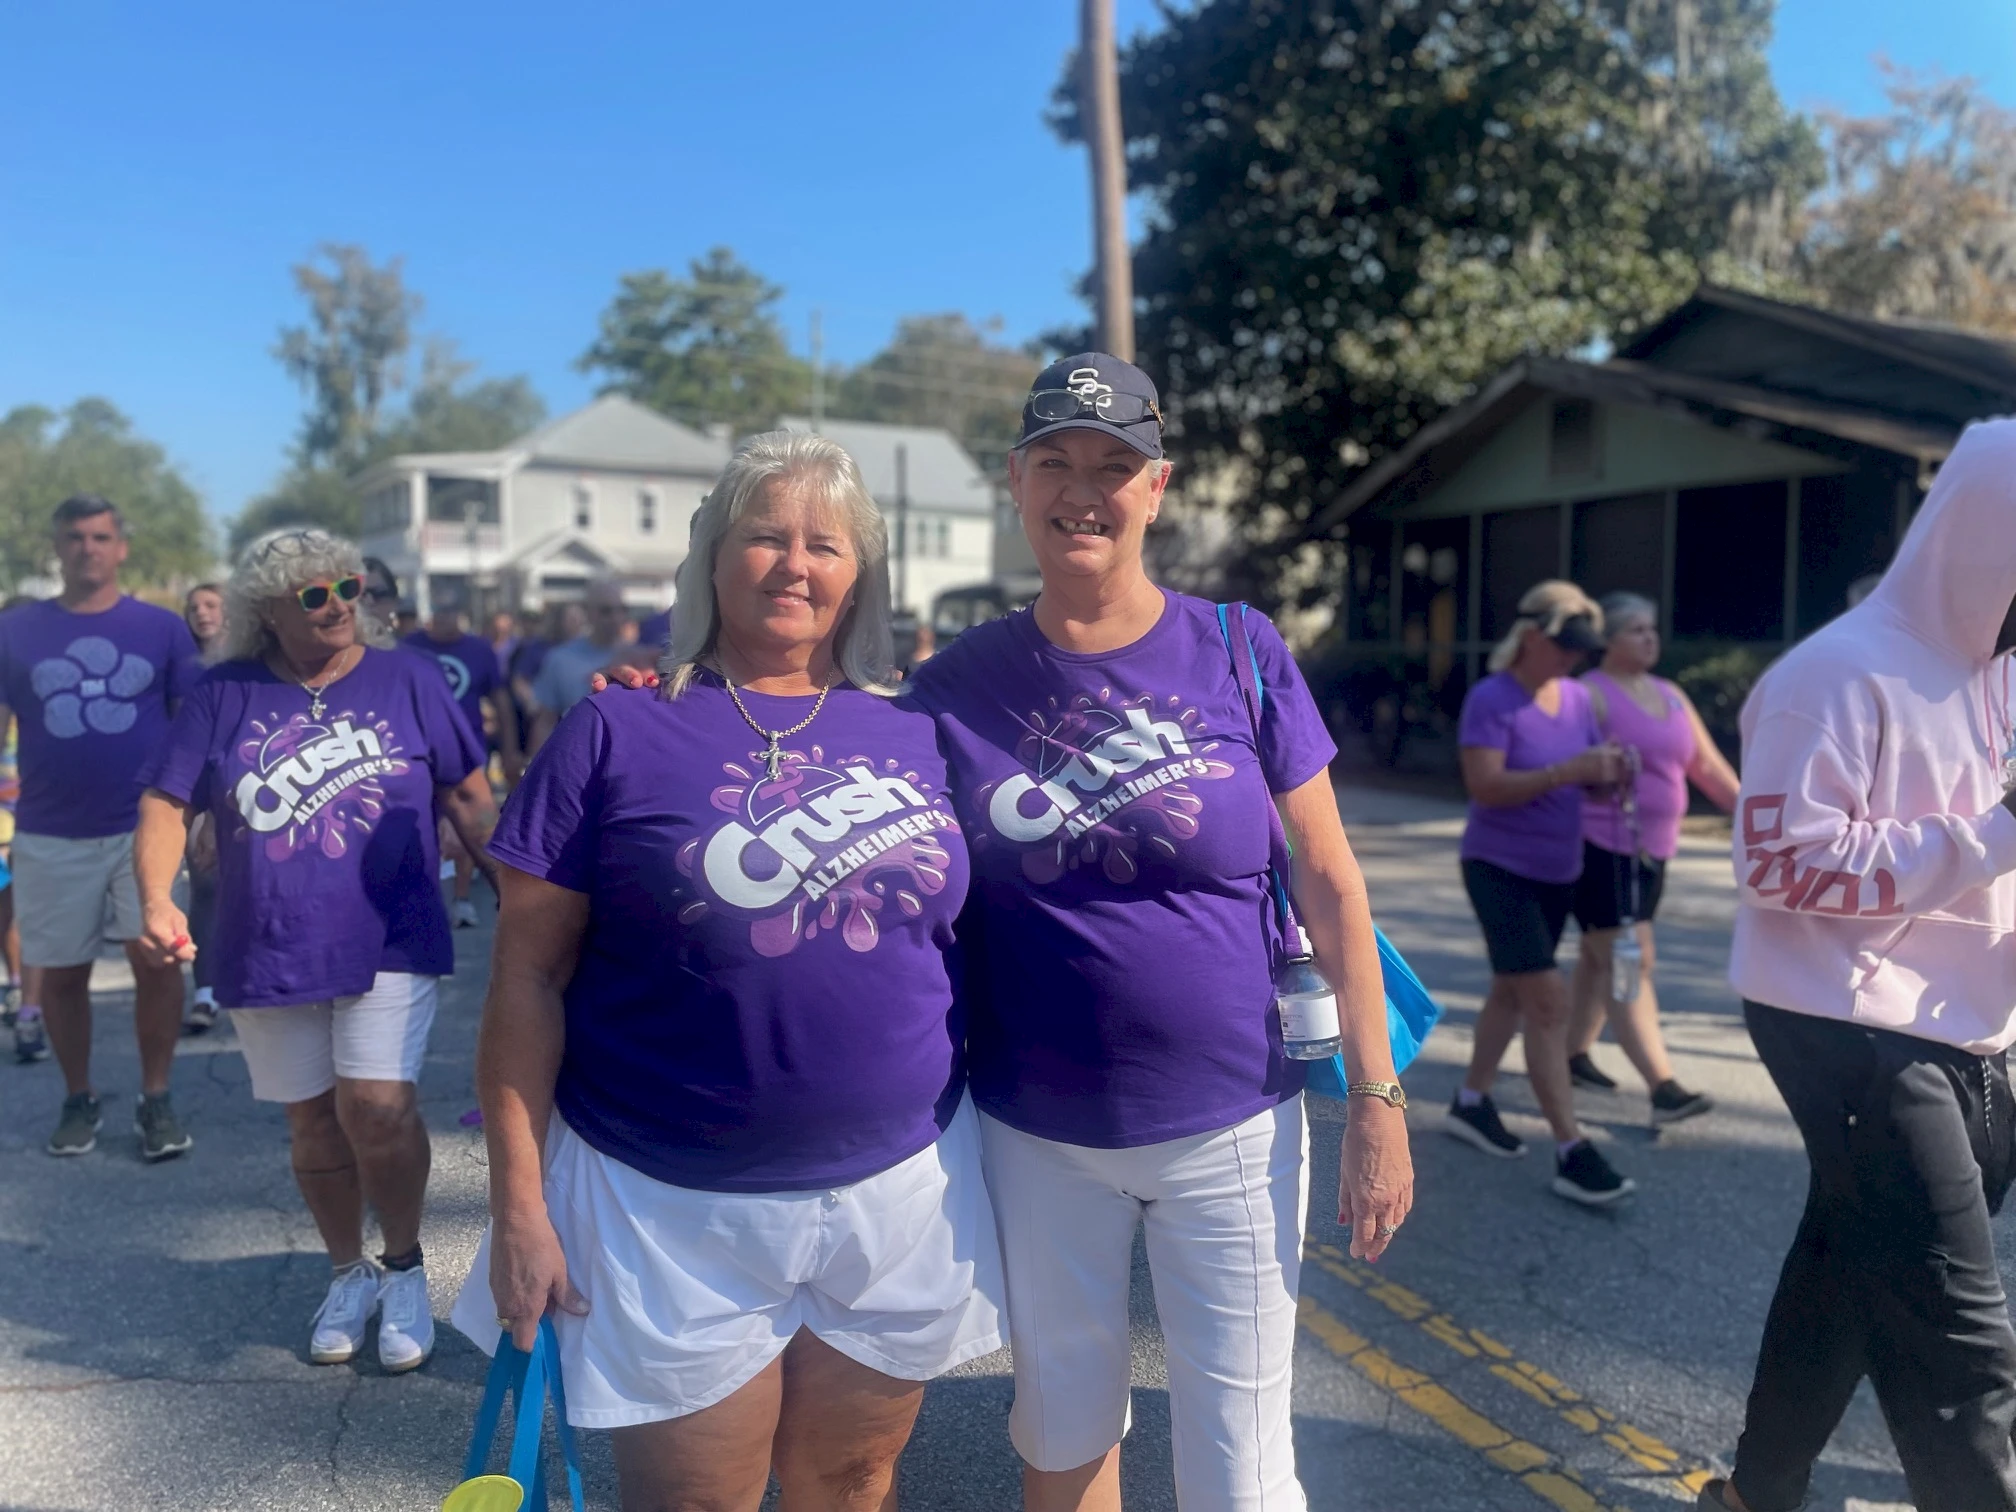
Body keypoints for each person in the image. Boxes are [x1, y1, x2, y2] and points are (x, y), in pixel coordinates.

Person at [452, 431, 1001, 1509]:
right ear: (711, 555)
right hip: (671, 1208)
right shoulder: (615, 726)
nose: (795, 564)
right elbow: (524, 979)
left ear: (863, 576)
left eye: (826, 544)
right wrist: (519, 1205)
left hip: (901, 1192)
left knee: (851, 1481)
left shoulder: (925, 731)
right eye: (765, 536)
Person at [907, 354, 1410, 1511]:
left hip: (1232, 1123)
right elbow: (830, 771)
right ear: (1015, 482)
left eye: (1113, 466)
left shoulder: (1238, 650)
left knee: (1241, 1468)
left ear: (1157, 488)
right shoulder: (951, 687)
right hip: (1035, 1134)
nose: (1083, 490)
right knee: (1062, 1436)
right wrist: (678, 704)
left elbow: (1331, 882)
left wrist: (1376, 1103)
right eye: (1056, 463)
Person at [1698, 420, 2016, 1512]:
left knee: (1846, 1274)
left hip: (1975, 1029)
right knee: (1959, 1340)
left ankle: (1756, 1494)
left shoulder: (2001, 682)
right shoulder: (1834, 674)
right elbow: (1778, 863)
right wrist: (1995, 833)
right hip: (1847, 1024)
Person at [133, 527, 497, 1373]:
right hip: (264, 940)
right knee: (311, 1121)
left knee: (376, 1107)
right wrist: (156, 898)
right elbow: (163, 804)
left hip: (390, 930)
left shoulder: (406, 678)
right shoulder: (223, 693)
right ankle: (349, 1270)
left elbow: (471, 797)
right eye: (313, 595)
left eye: (348, 587)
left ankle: (403, 1266)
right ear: (269, 611)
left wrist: (522, 899)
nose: (337, 605)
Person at [0, 495, 201, 1157]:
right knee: (60, 975)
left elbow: (193, 727)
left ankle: (156, 1096)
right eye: (74, 537)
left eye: (100, 536)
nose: (87, 547)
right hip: (49, 832)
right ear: (56, 548)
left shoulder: (162, 629)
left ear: (121, 548)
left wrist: (200, 814)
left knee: (157, 961)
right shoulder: (16, 632)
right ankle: (78, 1096)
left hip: (143, 831)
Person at [1444, 580, 1634, 1206]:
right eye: (1564, 647)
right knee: (1547, 1003)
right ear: (1531, 637)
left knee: (1511, 989)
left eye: (1581, 650)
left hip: (1560, 869)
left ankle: (1470, 1101)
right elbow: (1486, 786)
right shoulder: (1491, 699)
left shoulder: (1578, 699)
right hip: (1499, 868)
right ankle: (1571, 1148)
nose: (1573, 660)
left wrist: (1607, 776)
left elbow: (1584, 783)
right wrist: (1568, 771)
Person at [1566, 592, 1739, 1122]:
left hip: (1653, 851)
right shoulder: (1586, 695)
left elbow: (1708, 768)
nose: (1649, 638)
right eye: (1635, 629)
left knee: (1601, 959)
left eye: (1651, 628)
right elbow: (1562, 767)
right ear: (1608, 641)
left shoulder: (1671, 696)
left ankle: (1570, 1053)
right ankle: (1663, 1086)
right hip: (1599, 846)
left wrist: (1759, 822)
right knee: (1628, 956)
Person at [403, 594, 512, 926]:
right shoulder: (408, 649)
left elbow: (500, 698)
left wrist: (509, 748)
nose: (447, 620)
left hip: (466, 750)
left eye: (453, 613)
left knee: (468, 823)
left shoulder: (479, 650)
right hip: (416, 752)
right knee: (427, 827)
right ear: (431, 616)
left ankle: (462, 897)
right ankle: (426, 896)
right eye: (441, 613)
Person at [180, 583, 228, 1033]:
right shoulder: (180, 666)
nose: (202, 613)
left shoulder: (249, 663)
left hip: (256, 790)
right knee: (206, 886)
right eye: (193, 607)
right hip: (198, 791)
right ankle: (206, 992)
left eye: (211, 604)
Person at [527, 579, 631, 750]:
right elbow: (545, 721)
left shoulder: (638, 661)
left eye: (621, 610)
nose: (615, 617)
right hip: (575, 758)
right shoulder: (560, 659)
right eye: (606, 611)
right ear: (589, 613)